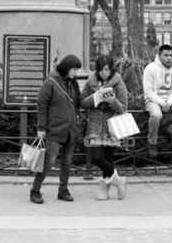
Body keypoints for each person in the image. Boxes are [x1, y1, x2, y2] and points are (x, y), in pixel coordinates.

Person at [30, 54, 83, 204]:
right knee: (49, 161)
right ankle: (35, 190)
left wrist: (96, 98)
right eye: (74, 69)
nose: (76, 73)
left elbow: (78, 103)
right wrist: (41, 127)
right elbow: (42, 105)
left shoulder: (73, 83)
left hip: (71, 129)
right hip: (54, 129)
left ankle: (63, 190)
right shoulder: (50, 83)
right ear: (67, 67)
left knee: (67, 161)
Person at [80, 55, 129, 201]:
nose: (104, 73)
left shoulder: (118, 83)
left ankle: (104, 189)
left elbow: (123, 108)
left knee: (108, 158)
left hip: (111, 126)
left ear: (111, 69)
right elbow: (82, 103)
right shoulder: (91, 81)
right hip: (95, 125)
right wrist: (95, 97)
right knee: (97, 158)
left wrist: (112, 101)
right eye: (101, 70)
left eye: (107, 69)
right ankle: (119, 181)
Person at [142, 44, 172, 157]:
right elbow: (148, 91)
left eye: (171, 55)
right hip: (153, 100)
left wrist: (168, 102)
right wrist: (161, 103)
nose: (169, 58)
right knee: (156, 115)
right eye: (166, 55)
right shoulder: (150, 68)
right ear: (159, 56)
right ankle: (152, 142)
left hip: (170, 100)